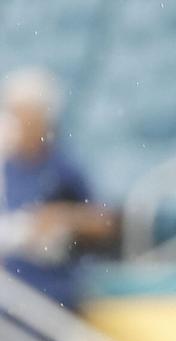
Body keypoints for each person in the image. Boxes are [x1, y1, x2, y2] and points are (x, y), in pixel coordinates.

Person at [0, 68, 115, 311]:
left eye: (24, 116)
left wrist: (62, 218)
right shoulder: (5, 167)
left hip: (52, 289)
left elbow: (102, 223)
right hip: (11, 292)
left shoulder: (63, 168)